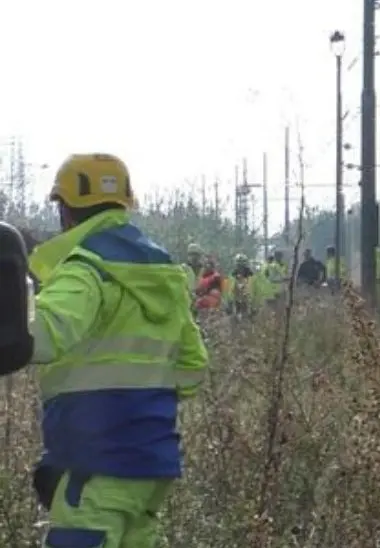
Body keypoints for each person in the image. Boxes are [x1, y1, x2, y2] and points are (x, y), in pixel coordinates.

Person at [8, 153, 207, 547]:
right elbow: (192, 370)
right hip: (152, 466)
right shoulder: (165, 274)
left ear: (65, 210)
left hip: (96, 462)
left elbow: (43, 334)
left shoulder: (86, 268)